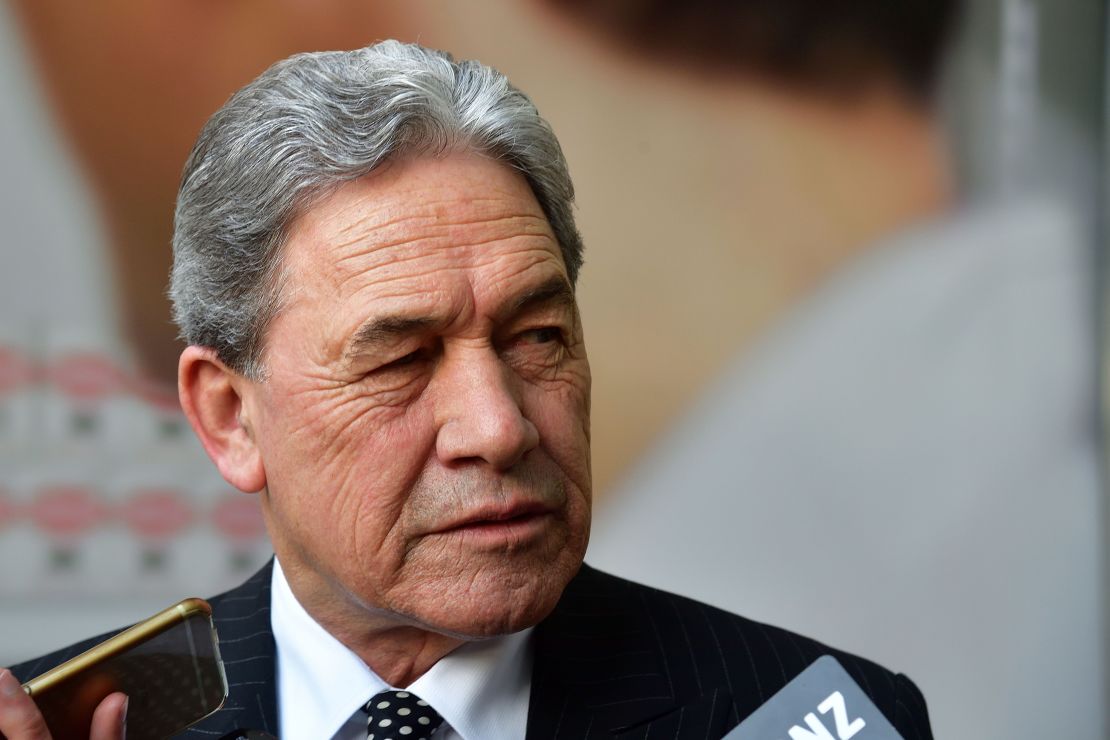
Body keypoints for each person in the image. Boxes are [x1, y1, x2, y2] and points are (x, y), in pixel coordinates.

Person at [0, 41, 934, 740]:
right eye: (400, 359)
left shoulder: (804, 713)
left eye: (536, 337)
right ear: (229, 416)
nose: (498, 426)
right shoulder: (62, 729)